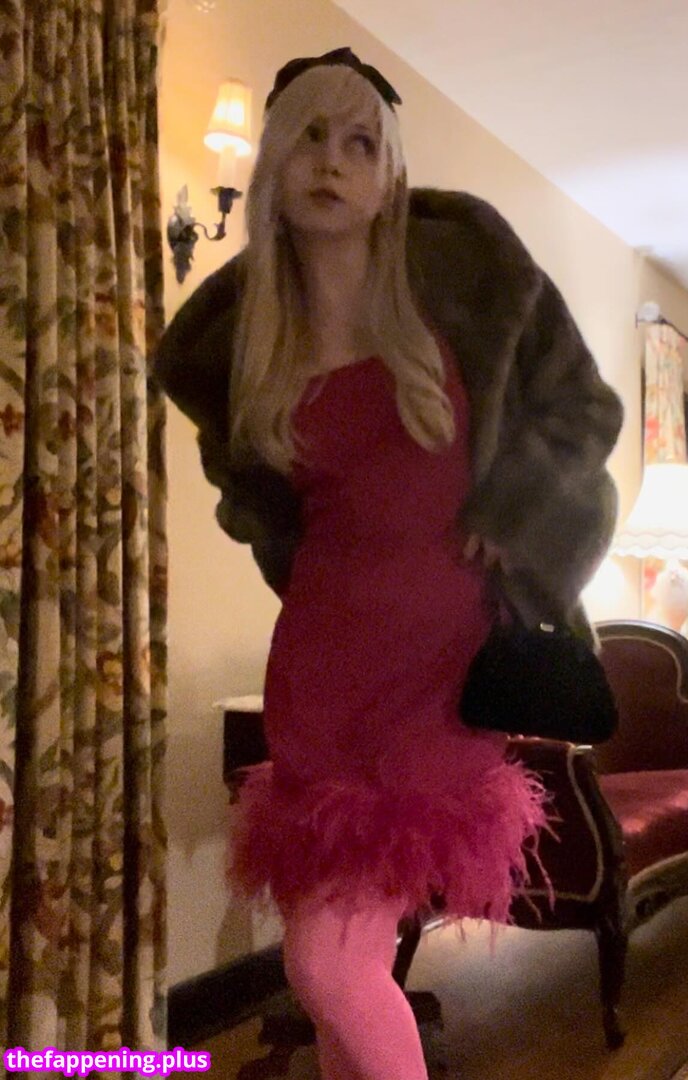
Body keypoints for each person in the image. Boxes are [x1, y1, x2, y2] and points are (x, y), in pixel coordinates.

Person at [154, 47, 623, 1080]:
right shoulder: (251, 344)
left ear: (390, 178)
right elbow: (267, 512)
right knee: (350, 966)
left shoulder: (462, 289)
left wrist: (518, 508)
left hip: (436, 672)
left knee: (324, 966)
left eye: (361, 143)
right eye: (311, 138)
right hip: (320, 667)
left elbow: (583, 410)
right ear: (274, 165)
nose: (333, 161)